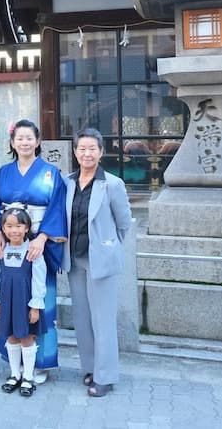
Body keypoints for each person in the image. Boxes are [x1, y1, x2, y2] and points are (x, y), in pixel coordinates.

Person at [0, 119, 67, 383]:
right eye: (19, 138)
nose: (24, 142)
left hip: (37, 244)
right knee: (10, 297)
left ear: (37, 141)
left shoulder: (50, 173)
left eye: (29, 138)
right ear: (12, 143)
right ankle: (15, 361)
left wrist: (42, 238)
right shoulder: (3, 173)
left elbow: (57, 207)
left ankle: (41, 362)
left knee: (40, 300)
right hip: (11, 240)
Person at [62, 127, 134, 398]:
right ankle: (90, 368)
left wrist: (107, 245)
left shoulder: (112, 184)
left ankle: (106, 377)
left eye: (92, 148)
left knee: (103, 320)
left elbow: (124, 224)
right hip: (75, 259)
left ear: (101, 152)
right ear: (75, 152)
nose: (87, 153)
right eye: (82, 148)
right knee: (82, 319)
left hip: (99, 261)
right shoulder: (67, 182)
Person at [0, 208, 47, 397]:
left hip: (25, 302)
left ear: (27, 227)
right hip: (6, 301)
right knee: (11, 336)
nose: (14, 230)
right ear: (3, 229)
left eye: (19, 226)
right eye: (9, 226)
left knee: (26, 337)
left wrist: (35, 306)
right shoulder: (0, 251)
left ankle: (28, 376)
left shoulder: (33, 251)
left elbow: (39, 279)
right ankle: (15, 374)